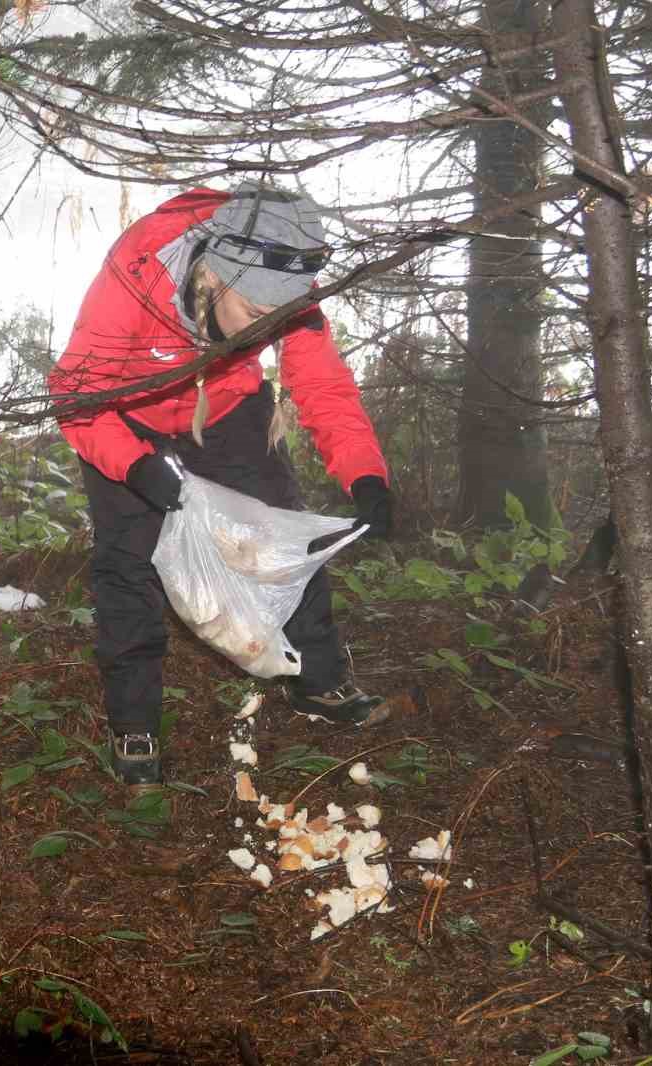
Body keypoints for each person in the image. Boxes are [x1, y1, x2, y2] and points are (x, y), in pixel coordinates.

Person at [48, 181, 394, 789]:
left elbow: (324, 388)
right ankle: (136, 724)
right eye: (258, 317)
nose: (268, 329)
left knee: (284, 532)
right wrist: (135, 466)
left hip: (228, 407)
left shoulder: (285, 277)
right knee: (130, 560)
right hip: (124, 417)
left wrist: (366, 474)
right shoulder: (138, 272)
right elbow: (77, 395)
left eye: (280, 318)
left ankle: (319, 682)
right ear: (211, 280)